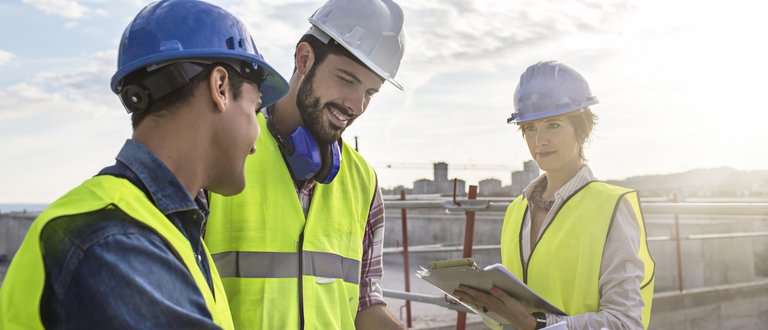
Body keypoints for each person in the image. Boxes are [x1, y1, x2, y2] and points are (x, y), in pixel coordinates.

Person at [0, 0, 288, 328]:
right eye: (255, 108)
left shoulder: (170, 230)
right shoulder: (113, 240)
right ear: (220, 88)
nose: (257, 138)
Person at [203, 0, 406, 328]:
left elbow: (365, 302)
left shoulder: (362, 181)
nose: (356, 105)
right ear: (304, 59)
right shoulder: (221, 154)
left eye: (370, 92)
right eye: (347, 79)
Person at [453, 61, 655, 329]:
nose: (540, 140)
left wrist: (537, 324)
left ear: (582, 129)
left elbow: (626, 321)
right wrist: (488, 304)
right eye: (530, 128)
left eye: (553, 125)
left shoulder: (611, 207)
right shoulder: (517, 210)